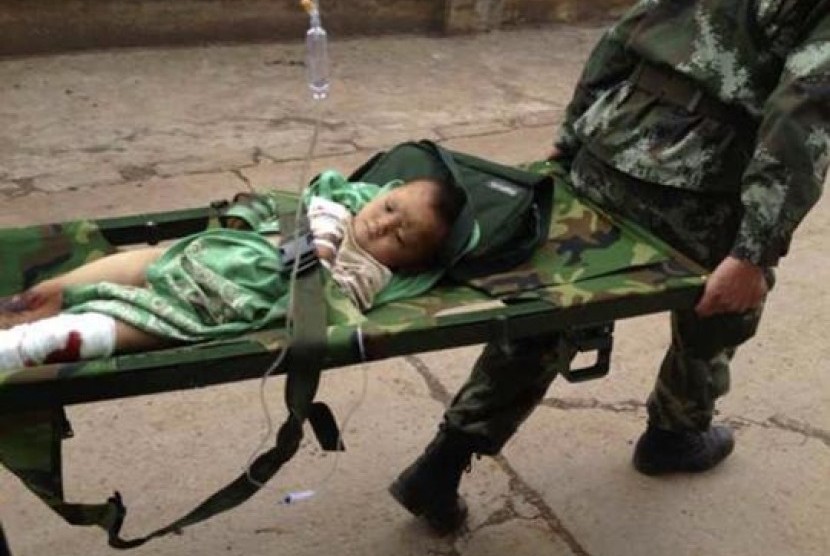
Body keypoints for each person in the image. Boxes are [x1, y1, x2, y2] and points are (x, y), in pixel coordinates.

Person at [389, 0, 830, 535]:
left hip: (610, 144)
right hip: (701, 181)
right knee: (722, 307)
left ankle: (442, 462)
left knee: (553, 305)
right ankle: (676, 433)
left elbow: (626, 32)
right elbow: (803, 108)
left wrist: (573, 134)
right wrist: (754, 251)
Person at [0, 171, 465, 370]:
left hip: (227, 299)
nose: (381, 224)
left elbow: (328, 300)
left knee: (128, 323)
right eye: (388, 207)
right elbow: (329, 189)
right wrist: (322, 216)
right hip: (210, 254)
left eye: (398, 237)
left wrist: (317, 250)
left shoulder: (369, 274)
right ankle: (32, 301)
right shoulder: (347, 202)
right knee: (146, 263)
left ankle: (24, 345)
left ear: (406, 262)